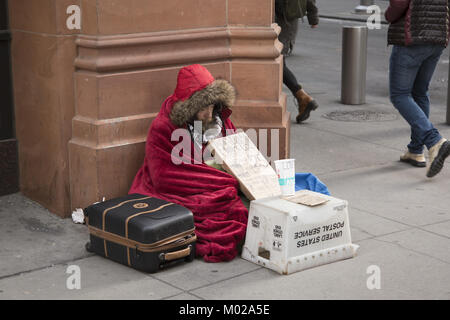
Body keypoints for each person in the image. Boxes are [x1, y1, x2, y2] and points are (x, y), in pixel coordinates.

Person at [129, 64, 248, 262]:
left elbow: (235, 148)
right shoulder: (163, 127)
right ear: (189, 106)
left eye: (212, 106)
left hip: (219, 180)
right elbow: (165, 177)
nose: (209, 115)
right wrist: (225, 178)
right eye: (203, 109)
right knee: (222, 214)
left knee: (248, 207)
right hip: (183, 190)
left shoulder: (218, 118)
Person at [386, 0, 450, 178]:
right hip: (437, 38)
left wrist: (387, 15)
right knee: (419, 92)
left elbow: (398, 4)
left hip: (413, 37)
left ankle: (434, 141)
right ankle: (415, 150)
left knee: (400, 95)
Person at [275, 0, 319, 123]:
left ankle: (302, 96)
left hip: (282, 18)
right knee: (276, 59)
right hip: (285, 18)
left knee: (276, 59)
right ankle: (302, 97)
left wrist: (313, 15)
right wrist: (313, 15)